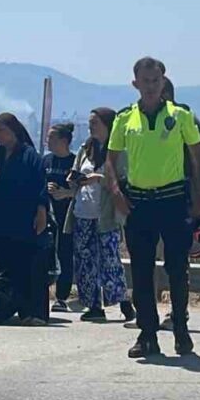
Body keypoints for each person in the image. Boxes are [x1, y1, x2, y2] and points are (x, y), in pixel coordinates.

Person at [105, 58, 200, 358]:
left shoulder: (180, 116)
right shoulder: (124, 119)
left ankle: (181, 329)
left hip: (173, 201)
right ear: (135, 84)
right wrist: (115, 192)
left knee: (177, 268)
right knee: (141, 272)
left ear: (163, 82)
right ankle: (147, 334)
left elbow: (199, 159)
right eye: (146, 81)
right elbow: (110, 161)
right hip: (138, 203)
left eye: (156, 81)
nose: (151, 86)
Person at [0, 113, 51, 326]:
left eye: (2, 131)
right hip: (1, 217)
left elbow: (40, 184)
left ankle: (38, 313)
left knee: (31, 266)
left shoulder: (29, 155)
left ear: (14, 130)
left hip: (24, 217)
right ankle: (22, 311)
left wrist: (41, 211)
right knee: (11, 266)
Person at [65, 108, 134, 322]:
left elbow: (123, 179)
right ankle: (93, 305)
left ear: (107, 124)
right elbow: (75, 171)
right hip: (83, 210)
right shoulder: (85, 149)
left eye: (95, 123)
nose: (91, 127)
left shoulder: (118, 150)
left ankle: (123, 302)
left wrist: (99, 178)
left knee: (110, 259)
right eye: (90, 123)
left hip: (105, 213)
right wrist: (73, 180)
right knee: (85, 260)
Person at [158, 77, 200, 332]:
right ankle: (151, 312)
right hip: (153, 200)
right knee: (161, 257)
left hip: (182, 200)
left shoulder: (186, 121)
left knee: (177, 259)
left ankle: (179, 312)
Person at [43, 123, 77, 312]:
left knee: (65, 255)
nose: (47, 141)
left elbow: (83, 189)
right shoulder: (46, 161)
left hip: (67, 216)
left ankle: (62, 297)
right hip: (47, 215)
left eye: (51, 138)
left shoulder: (74, 162)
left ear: (63, 141)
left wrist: (65, 193)